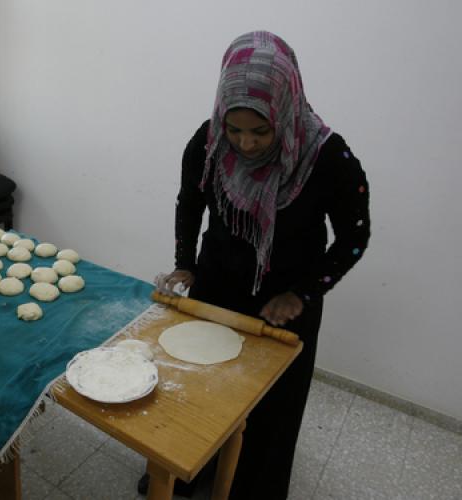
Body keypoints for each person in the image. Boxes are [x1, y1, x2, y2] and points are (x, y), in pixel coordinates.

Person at [146, 31, 370, 498]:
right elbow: (191, 202)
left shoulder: (326, 157)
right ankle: (190, 472)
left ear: (285, 109)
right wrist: (185, 265)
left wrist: (303, 294)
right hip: (216, 285)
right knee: (200, 389)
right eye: (235, 129)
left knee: (271, 410)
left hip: (283, 300)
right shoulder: (208, 141)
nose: (245, 144)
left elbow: (354, 237)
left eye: (260, 130)